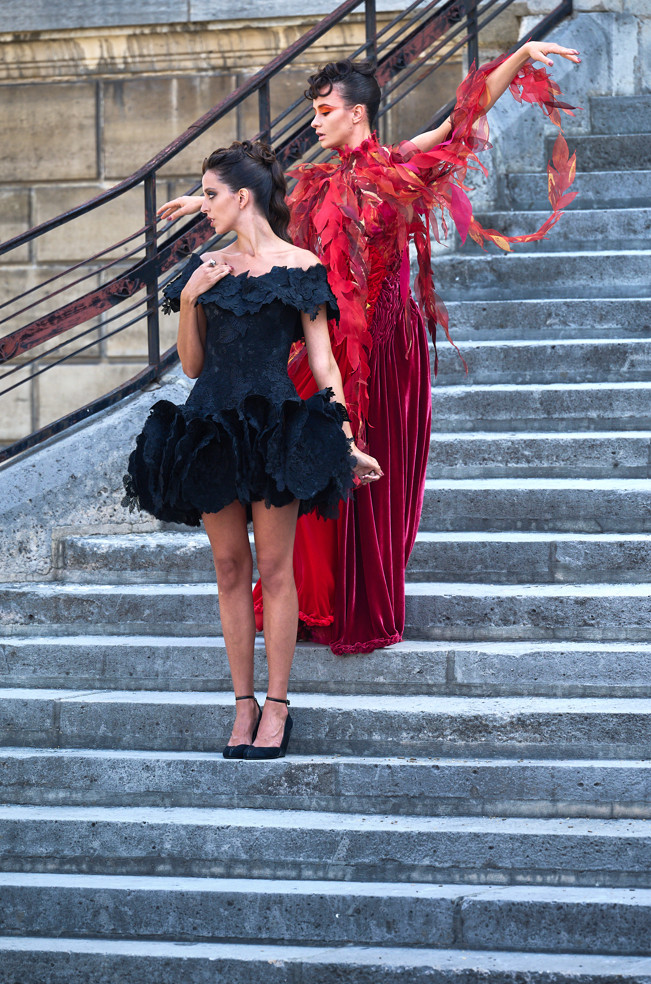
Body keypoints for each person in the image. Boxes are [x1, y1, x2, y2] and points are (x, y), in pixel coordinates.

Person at [158, 41, 581, 655]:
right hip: (327, 342)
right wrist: (204, 201)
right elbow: (258, 210)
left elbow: (458, 121)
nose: (315, 122)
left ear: (356, 113)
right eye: (314, 111)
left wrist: (518, 55)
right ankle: (310, 599)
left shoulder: (399, 166)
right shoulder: (317, 187)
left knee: (372, 477)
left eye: (325, 110)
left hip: (386, 346)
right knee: (302, 461)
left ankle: (358, 603)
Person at [124, 140, 382, 758]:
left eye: (209, 194)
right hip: (210, 430)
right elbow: (192, 366)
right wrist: (190, 298)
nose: (202, 204)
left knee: (275, 568)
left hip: (274, 433)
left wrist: (345, 439)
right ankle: (243, 706)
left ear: (241, 197)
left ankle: (278, 705)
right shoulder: (206, 266)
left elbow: (323, 364)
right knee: (229, 569)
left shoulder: (300, 266)